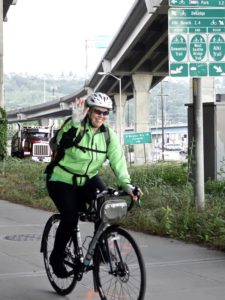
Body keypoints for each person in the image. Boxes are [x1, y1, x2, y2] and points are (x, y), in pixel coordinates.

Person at [45, 92, 140, 278]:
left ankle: (100, 248)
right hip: (61, 179)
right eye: (98, 112)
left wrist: (127, 185)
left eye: (106, 113)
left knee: (105, 204)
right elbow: (61, 142)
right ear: (89, 111)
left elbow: (118, 162)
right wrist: (74, 123)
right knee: (70, 218)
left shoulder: (108, 135)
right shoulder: (74, 125)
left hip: (88, 178)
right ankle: (56, 258)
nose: (102, 116)